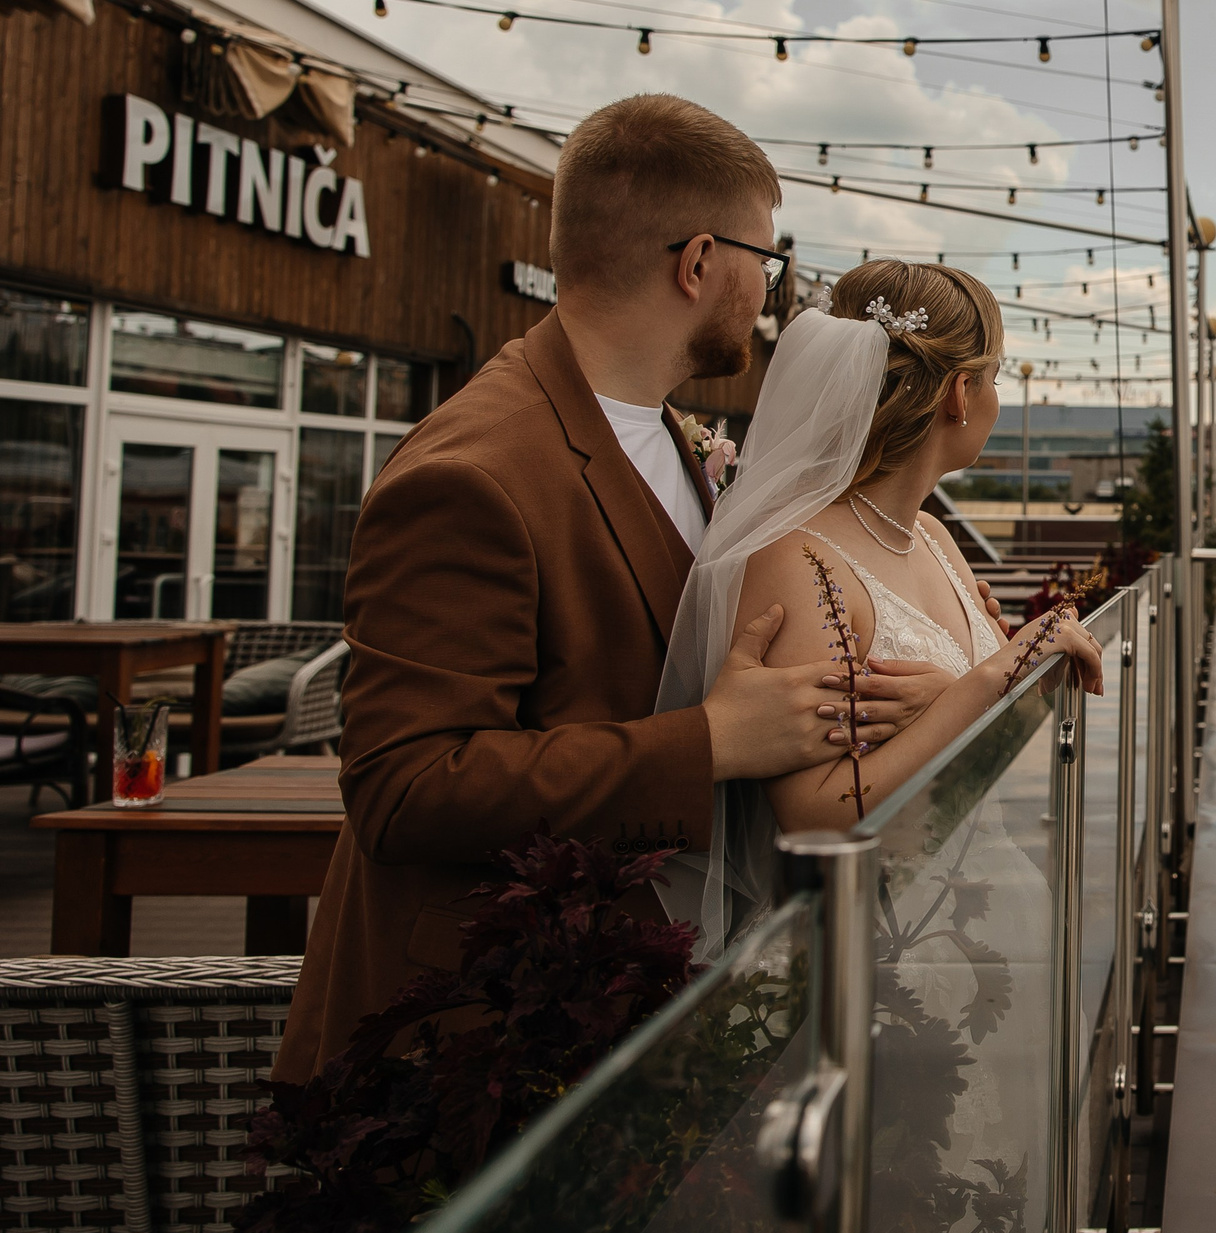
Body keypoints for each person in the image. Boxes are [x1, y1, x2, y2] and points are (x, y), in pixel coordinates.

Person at [277, 96, 891, 1083]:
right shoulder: (473, 471)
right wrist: (711, 741)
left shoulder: (662, 430)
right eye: (765, 263)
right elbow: (404, 786)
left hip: (623, 1007)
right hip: (481, 1045)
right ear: (699, 261)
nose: (768, 294)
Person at [654, 258, 1104, 949]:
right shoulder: (798, 560)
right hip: (874, 942)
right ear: (960, 393)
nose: (996, 399)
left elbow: (971, 719)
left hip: (968, 907)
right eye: (994, 377)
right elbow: (818, 817)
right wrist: (989, 678)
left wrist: (955, 692)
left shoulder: (933, 535)